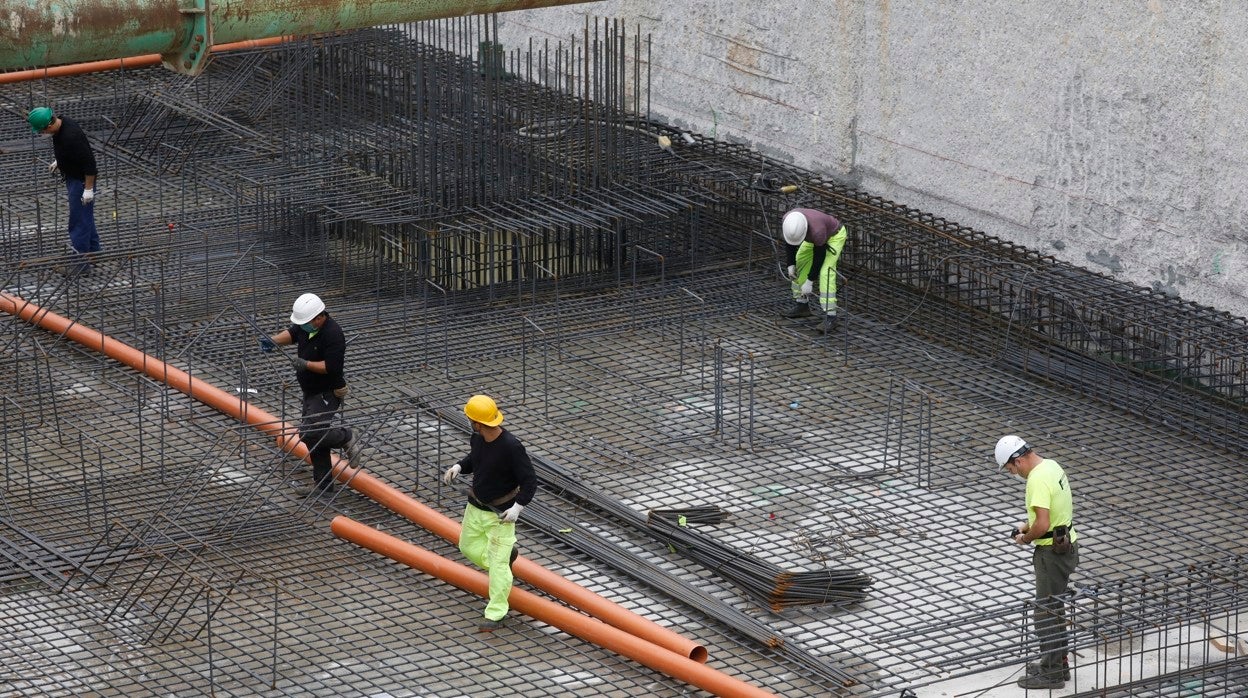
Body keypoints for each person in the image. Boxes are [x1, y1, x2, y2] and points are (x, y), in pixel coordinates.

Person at [443, 395, 537, 632]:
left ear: (478, 422)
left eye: (470, 419)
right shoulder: (478, 438)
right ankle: (506, 559)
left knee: (497, 567)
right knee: (467, 546)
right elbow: (476, 460)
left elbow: (530, 481)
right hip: (476, 507)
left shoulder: (511, 447)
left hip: (500, 515)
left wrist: (517, 508)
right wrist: (459, 467)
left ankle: (496, 613)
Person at [995, 435, 1079, 689]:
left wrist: (1025, 538)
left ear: (1018, 461)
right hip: (1067, 545)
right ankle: (1057, 662)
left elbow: (1042, 524)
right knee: (1056, 607)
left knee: (1045, 614)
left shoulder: (1036, 480)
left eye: (1011, 469)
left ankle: (1051, 672)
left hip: (1051, 555)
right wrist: (1024, 525)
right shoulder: (1051, 466)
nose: (1013, 474)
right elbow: (1050, 514)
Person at [259, 292, 359, 496]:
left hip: (326, 392)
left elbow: (331, 367)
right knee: (312, 437)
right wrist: (274, 340)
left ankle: (346, 436)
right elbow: (294, 333)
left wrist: (306, 364)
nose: (303, 326)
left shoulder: (333, 334)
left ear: (320, 317)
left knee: (311, 433)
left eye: (306, 323)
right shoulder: (308, 326)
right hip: (310, 391)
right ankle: (323, 488)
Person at [28, 107, 100, 275]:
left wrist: (88, 189)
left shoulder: (71, 136)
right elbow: (69, 151)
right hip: (73, 177)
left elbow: (90, 165)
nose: (42, 133)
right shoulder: (62, 124)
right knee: (85, 216)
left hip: (81, 182)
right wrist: (60, 161)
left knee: (78, 222)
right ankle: (94, 253)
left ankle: (80, 266)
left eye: (42, 130)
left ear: (49, 125)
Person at [779, 208, 847, 332]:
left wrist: (810, 280)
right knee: (801, 260)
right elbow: (790, 242)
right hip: (812, 237)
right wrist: (791, 264)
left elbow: (819, 257)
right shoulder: (789, 220)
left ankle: (831, 317)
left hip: (834, 235)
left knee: (826, 272)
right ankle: (802, 305)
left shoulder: (817, 231)